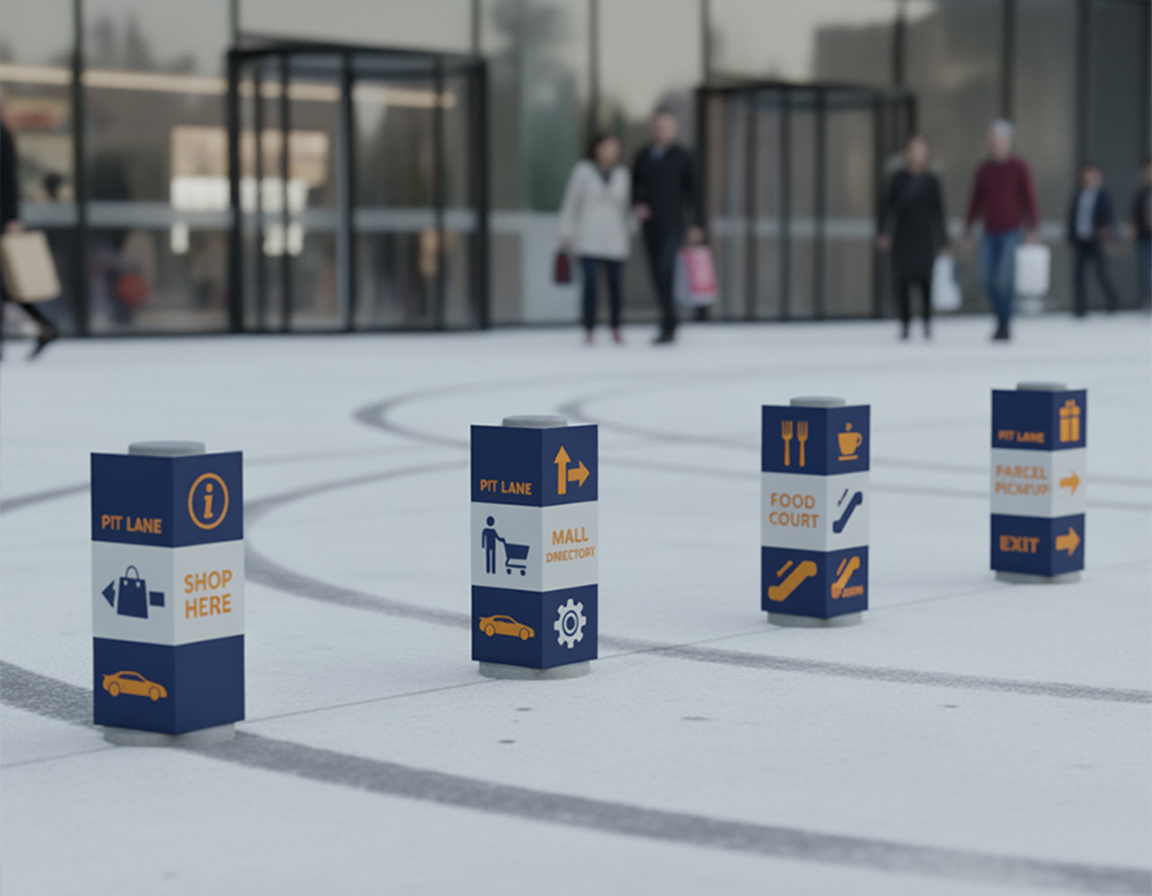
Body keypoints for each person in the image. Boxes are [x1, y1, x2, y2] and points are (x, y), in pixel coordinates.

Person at [963, 120, 1040, 341]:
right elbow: (976, 201)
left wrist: (1033, 227)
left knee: (1005, 280)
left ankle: (1004, 324)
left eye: (998, 140)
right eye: (992, 140)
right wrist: (968, 229)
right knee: (986, 279)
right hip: (989, 232)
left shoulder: (1019, 166)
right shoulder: (984, 169)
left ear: (1007, 141)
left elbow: (1030, 198)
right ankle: (1002, 318)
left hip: (1011, 232)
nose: (995, 144)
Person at [632, 108, 704, 345]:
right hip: (650, 226)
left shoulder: (683, 156)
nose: (661, 130)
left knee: (666, 268)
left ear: (673, 128)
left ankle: (670, 321)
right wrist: (638, 204)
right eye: (658, 126)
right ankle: (668, 321)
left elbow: (695, 193)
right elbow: (634, 187)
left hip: (674, 225)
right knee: (657, 275)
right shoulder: (643, 156)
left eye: (666, 126)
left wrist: (696, 224)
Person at [558, 132, 632, 344]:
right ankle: (589, 328)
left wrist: (629, 231)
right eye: (608, 146)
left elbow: (626, 208)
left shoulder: (622, 174)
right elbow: (571, 202)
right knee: (590, 284)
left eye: (616, 147)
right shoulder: (583, 171)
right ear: (597, 148)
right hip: (587, 236)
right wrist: (565, 231)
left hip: (615, 237)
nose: (612, 151)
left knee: (616, 286)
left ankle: (616, 326)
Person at [876, 134, 949, 339]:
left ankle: (926, 321)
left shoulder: (931, 180)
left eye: (921, 149)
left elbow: (938, 212)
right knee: (902, 280)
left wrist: (943, 241)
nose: (917, 154)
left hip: (924, 237)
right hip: (903, 236)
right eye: (913, 149)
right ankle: (905, 323)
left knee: (926, 281)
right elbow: (886, 207)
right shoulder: (898, 179)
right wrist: (883, 232)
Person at [1, 121, 59, 358]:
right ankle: (46, 327)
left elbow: (8, 177)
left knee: (9, 283)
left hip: (3, 218)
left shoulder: (1, 133)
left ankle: (45, 326)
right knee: (6, 286)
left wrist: (12, 217)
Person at [1066, 162, 1120, 316]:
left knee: (1101, 273)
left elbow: (1108, 215)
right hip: (1081, 239)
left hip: (1096, 239)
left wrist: (1106, 230)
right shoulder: (1079, 194)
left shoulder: (1103, 195)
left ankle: (1113, 303)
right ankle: (1080, 309)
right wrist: (1070, 236)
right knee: (1078, 275)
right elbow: (1073, 216)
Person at [1130, 157, 1152, 309]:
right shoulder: (1142, 191)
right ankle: (1148, 300)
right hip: (1145, 235)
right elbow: (1136, 213)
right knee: (1145, 270)